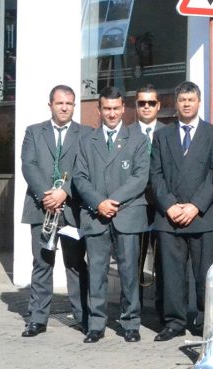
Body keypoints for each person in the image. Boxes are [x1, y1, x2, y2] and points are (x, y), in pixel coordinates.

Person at [72, 86, 149, 343]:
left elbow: (140, 177)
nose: (112, 113)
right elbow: (79, 178)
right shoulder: (87, 141)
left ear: (123, 109)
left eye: (117, 108)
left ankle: (130, 323)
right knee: (97, 270)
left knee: (128, 272)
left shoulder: (137, 139)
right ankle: (96, 324)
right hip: (96, 215)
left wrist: (112, 201)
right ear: (99, 109)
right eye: (107, 108)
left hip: (126, 213)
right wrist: (98, 203)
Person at [150, 82, 213, 342]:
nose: (187, 104)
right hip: (170, 217)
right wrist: (169, 205)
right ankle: (174, 322)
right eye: (182, 100)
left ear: (199, 101)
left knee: (205, 275)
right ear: (176, 103)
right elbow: (155, 175)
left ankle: (206, 321)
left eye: (191, 99)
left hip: (202, 215)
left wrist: (195, 205)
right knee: (171, 274)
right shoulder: (162, 136)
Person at [20, 85, 92, 338]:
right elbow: (28, 165)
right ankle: (37, 319)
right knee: (42, 262)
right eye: (60, 103)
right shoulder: (33, 132)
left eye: (69, 103)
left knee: (75, 264)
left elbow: (86, 169)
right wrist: (47, 196)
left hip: (72, 209)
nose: (64, 107)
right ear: (50, 104)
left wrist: (65, 192)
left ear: (74, 106)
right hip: (41, 208)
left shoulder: (86, 134)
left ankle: (83, 317)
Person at [132, 85, 167, 322]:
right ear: (136, 105)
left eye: (151, 103)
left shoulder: (168, 132)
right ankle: (134, 312)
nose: (146, 107)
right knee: (132, 260)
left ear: (158, 106)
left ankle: (163, 311)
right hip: (134, 205)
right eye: (142, 103)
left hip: (162, 206)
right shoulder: (126, 132)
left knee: (164, 260)